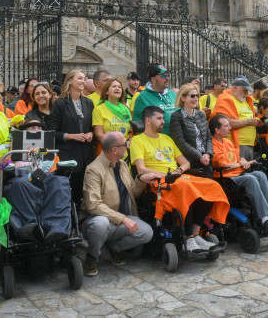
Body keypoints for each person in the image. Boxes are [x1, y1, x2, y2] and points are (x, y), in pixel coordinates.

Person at [130, 106, 229, 252]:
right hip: (158, 182)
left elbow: (186, 163)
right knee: (185, 188)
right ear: (148, 120)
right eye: (159, 118)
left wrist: (177, 171)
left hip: (178, 177)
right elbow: (141, 169)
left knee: (212, 186)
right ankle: (188, 238)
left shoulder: (167, 139)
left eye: (163, 118)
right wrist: (165, 175)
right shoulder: (137, 141)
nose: (163, 121)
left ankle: (195, 233)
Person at [81, 132, 156, 276]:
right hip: (99, 220)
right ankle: (91, 257)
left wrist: (141, 179)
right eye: (125, 144)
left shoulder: (122, 164)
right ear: (115, 150)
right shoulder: (93, 170)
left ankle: (114, 248)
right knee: (100, 223)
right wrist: (122, 219)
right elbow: (93, 205)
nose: (128, 145)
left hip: (121, 220)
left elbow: (133, 194)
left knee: (147, 233)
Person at [210, 114, 268, 236]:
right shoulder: (212, 145)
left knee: (260, 175)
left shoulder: (228, 142)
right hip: (226, 179)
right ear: (217, 130)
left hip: (238, 175)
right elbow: (224, 164)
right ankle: (265, 220)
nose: (230, 128)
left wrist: (243, 161)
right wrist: (241, 163)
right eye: (226, 125)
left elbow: (237, 158)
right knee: (250, 178)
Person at [47, 69, 94, 205]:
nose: (83, 81)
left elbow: (92, 127)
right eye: (79, 78)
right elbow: (52, 132)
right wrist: (71, 136)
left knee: (83, 194)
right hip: (68, 157)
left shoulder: (88, 103)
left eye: (84, 79)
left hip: (86, 156)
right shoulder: (60, 104)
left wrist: (91, 134)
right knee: (68, 195)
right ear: (70, 81)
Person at [213, 76, 263, 161]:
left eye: (247, 91)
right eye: (244, 90)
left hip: (250, 145)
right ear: (235, 87)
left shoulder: (246, 100)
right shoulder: (225, 100)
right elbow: (225, 123)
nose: (246, 93)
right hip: (235, 145)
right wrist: (249, 122)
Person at [170, 84, 213, 178]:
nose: (196, 99)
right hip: (190, 162)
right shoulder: (176, 116)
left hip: (206, 161)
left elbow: (208, 138)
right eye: (192, 96)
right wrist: (199, 156)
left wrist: (208, 154)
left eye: (197, 96)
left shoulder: (201, 114)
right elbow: (180, 142)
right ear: (182, 98)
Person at [132, 63, 177, 135]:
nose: (167, 78)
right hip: (156, 143)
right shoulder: (142, 98)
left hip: (176, 142)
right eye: (164, 76)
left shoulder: (173, 94)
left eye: (168, 75)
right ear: (153, 80)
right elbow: (138, 125)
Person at [92, 79, 131, 143]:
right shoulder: (98, 109)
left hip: (124, 150)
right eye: (114, 86)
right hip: (108, 148)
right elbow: (99, 135)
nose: (117, 88)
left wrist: (129, 141)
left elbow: (130, 132)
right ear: (107, 91)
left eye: (119, 87)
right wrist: (115, 144)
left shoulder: (126, 109)